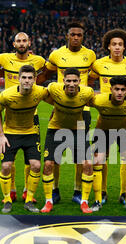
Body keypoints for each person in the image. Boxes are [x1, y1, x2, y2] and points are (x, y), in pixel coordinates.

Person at [44, 22, 96, 205]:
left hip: (83, 112)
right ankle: (55, 189)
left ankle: (77, 190)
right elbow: (46, 73)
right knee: (55, 155)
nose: (76, 37)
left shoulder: (90, 55)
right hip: (59, 108)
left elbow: (95, 75)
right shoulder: (56, 55)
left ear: (83, 37)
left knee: (80, 157)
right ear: (67, 36)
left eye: (79, 35)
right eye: (72, 34)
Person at [0, 32, 49, 203]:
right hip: (11, 111)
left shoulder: (38, 61)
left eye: (24, 40)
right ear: (14, 44)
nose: (22, 43)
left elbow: (47, 72)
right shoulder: (4, 59)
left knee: (31, 158)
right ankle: (11, 190)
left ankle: (27, 190)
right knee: (10, 158)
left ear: (29, 42)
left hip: (32, 115)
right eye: (18, 40)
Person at [89, 28, 126, 205]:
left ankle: (125, 194)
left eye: (120, 44)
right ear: (108, 47)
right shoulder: (98, 64)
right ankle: (101, 193)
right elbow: (89, 81)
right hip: (105, 117)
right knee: (101, 159)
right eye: (114, 44)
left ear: (125, 47)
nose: (117, 47)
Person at [41, 68, 95, 214]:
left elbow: (99, 102)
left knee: (87, 164)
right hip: (55, 129)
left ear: (79, 82)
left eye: (75, 81)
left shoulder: (87, 92)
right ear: (63, 81)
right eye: (68, 81)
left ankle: (84, 201)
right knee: (48, 164)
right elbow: (39, 94)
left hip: (78, 129)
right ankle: (49, 201)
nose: (71, 84)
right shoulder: (53, 88)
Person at [89, 76, 126, 213]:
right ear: (110, 89)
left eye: (123, 90)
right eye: (116, 89)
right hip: (102, 131)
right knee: (97, 162)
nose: (119, 92)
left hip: (125, 131)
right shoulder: (99, 100)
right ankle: (98, 200)